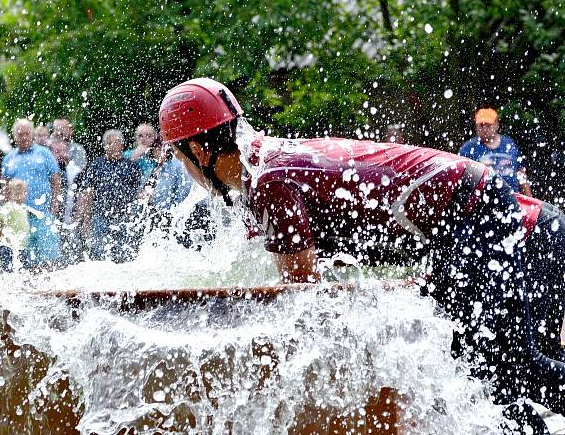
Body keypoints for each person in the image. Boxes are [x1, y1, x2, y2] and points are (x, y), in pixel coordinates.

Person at [158, 78, 565, 430]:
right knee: (472, 364)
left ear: (198, 149)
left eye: (180, 158)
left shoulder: (269, 182)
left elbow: (299, 298)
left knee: (510, 369)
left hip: (476, 209)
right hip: (462, 218)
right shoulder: (265, 165)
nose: (185, 172)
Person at [2, 119, 61, 264]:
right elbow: (4, 188)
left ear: (32, 135)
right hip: (19, 216)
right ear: (14, 136)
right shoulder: (9, 158)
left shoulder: (44, 153)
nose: (23, 137)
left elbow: (56, 180)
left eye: (27, 134)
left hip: (43, 213)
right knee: (24, 260)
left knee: (48, 258)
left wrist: (54, 204)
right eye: (20, 134)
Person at [79, 130, 141, 262]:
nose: (111, 146)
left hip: (124, 218)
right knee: (99, 255)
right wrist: (86, 219)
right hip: (101, 218)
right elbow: (89, 193)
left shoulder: (131, 166)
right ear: (104, 146)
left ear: (122, 145)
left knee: (124, 255)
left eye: (115, 142)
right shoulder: (96, 165)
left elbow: (137, 194)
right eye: (108, 143)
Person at [459, 107, 531, 195]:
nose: (484, 129)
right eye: (481, 125)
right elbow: (461, 179)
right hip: (484, 200)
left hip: (513, 198)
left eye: (488, 125)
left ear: (497, 125)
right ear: (476, 126)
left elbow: (521, 173)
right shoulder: (468, 148)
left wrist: (529, 198)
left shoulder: (509, 144)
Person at [50, 140, 83, 262]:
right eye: (57, 152)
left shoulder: (75, 171)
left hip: (70, 218)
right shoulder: (48, 171)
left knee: (72, 254)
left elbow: (81, 195)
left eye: (63, 151)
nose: (61, 155)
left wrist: (77, 216)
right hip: (52, 219)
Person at [0, 179, 31, 272]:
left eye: (22, 193)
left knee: (24, 271)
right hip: (9, 246)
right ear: (10, 194)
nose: (19, 196)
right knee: (9, 270)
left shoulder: (23, 207)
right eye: (16, 194)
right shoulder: (9, 206)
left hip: (22, 246)